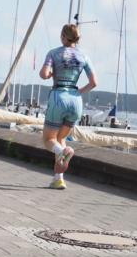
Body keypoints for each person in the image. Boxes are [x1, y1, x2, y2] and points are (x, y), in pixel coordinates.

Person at [39, 23, 98, 189]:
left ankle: (62, 153)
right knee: (61, 139)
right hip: (76, 100)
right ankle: (58, 178)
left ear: (63, 37)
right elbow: (94, 82)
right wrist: (79, 91)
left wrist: (51, 73)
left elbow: (43, 74)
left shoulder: (53, 53)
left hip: (59, 97)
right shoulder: (84, 56)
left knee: (49, 140)